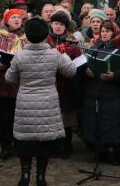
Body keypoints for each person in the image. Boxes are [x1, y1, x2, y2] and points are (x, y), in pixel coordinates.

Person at [5, 17, 76, 186]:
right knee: (45, 141)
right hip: (48, 103)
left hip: (26, 104)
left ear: (27, 36)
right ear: (46, 35)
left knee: (25, 141)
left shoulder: (19, 56)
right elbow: (71, 71)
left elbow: (9, 78)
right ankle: (41, 177)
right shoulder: (54, 54)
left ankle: (25, 176)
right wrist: (63, 54)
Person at [83, 20, 120, 164]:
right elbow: (87, 63)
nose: (104, 33)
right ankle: (101, 152)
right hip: (97, 93)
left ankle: (119, 154)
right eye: (103, 31)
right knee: (98, 123)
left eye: (108, 30)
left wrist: (115, 75)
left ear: (115, 32)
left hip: (116, 94)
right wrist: (88, 70)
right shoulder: (95, 47)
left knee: (115, 124)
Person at [0, 9, 26, 160]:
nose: (16, 19)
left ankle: (17, 145)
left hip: (19, 83)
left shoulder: (26, 38)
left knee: (17, 117)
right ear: (7, 20)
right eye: (13, 17)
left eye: (18, 17)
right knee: (3, 117)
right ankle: (5, 146)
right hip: (0, 82)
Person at [47, 11, 82, 159]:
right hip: (50, 85)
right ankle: (52, 146)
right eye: (56, 24)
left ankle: (66, 145)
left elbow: (79, 60)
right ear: (51, 24)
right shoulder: (44, 41)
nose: (58, 27)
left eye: (61, 24)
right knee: (51, 117)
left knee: (66, 118)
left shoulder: (72, 41)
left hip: (67, 85)